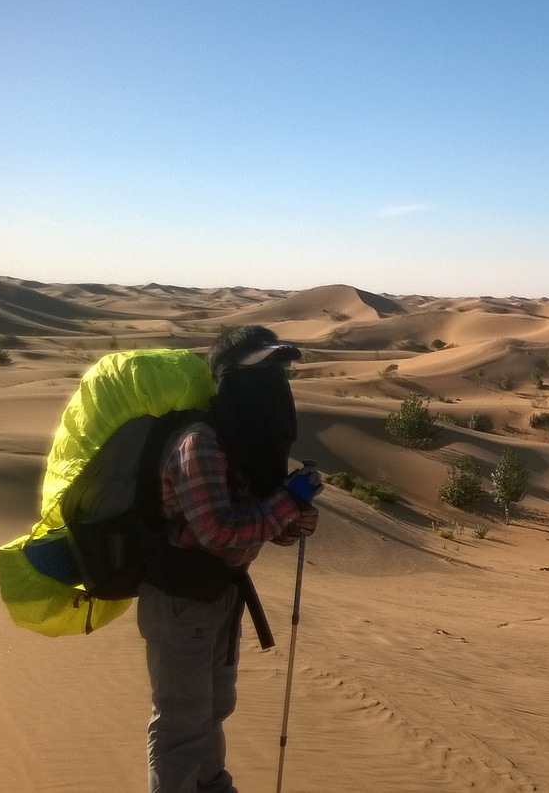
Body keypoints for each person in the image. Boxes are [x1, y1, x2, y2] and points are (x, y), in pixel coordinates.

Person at [137, 326, 322, 793]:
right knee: (182, 722)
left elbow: (253, 523)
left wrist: (292, 519)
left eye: (281, 370)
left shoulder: (247, 440)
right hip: (181, 599)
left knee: (214, 709)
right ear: (232, 379)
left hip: (221, 594)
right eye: (266, 371)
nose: (278, 382)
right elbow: (218, 531)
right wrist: (285, 501)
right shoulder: (199, 442)